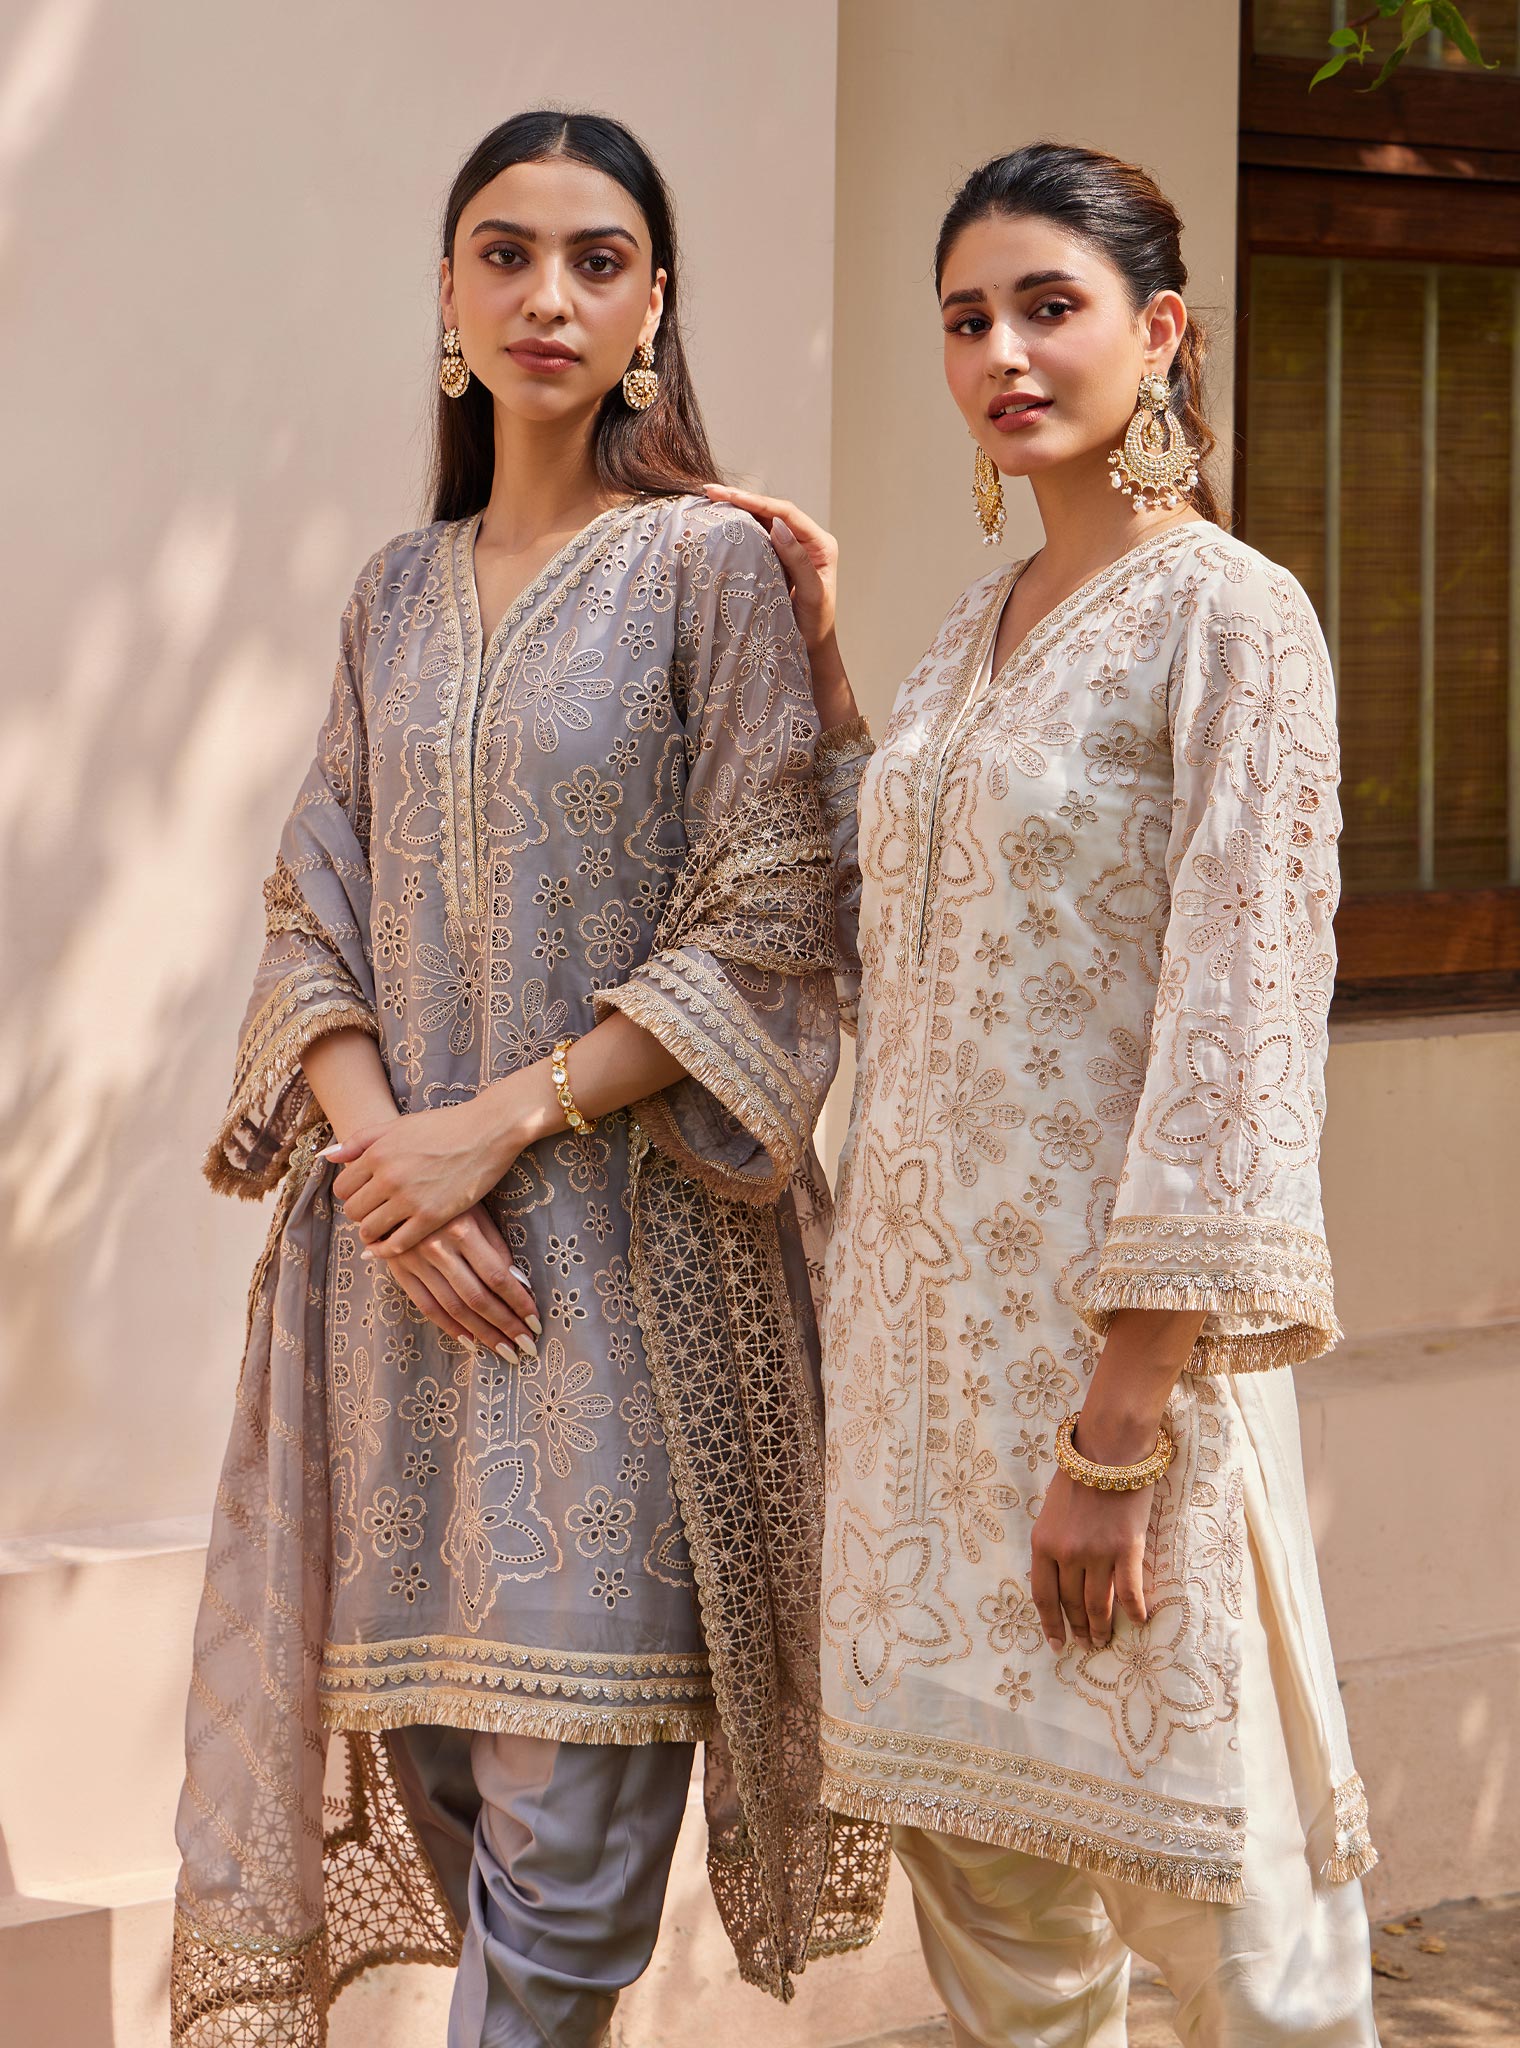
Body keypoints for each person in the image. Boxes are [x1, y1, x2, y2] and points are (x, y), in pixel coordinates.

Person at [169, 109, 885, 2048]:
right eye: (505, 253)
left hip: (624, 1300)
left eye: (595, 260)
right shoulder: (391, 595)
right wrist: (385, 1168)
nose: (547, 295)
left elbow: (772, 909)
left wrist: (492, 1124)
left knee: (564, 1887)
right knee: (459, 1800)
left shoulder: (707, 571)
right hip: (397, 1305)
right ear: (449, 296)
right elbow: (311, 904)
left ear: (654, 307)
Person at [708, 141, 1379, 2046]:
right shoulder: (977, 623)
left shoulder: (1232, 619)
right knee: (1006, 1949)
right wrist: (826, 659)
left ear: (1159, 334)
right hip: (924, 1393)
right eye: (966, 319)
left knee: (1247, 1947)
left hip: (1115, 1390)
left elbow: (1240, 1027)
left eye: (1048, 307)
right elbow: (913, 918)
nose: (1001, 353)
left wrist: (1120, 1435)